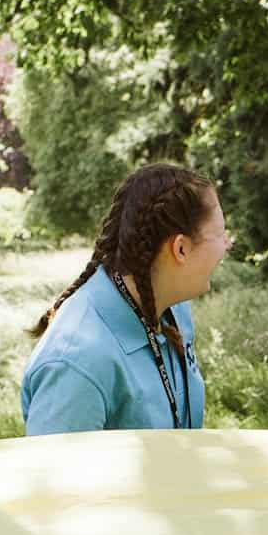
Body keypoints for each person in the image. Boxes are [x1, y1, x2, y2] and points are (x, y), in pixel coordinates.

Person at [22, 164, 230, 434]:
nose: (227, 245)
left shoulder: (172, 308)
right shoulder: (76, 363)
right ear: (180, 248)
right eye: (219, 235)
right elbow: (53, 474)